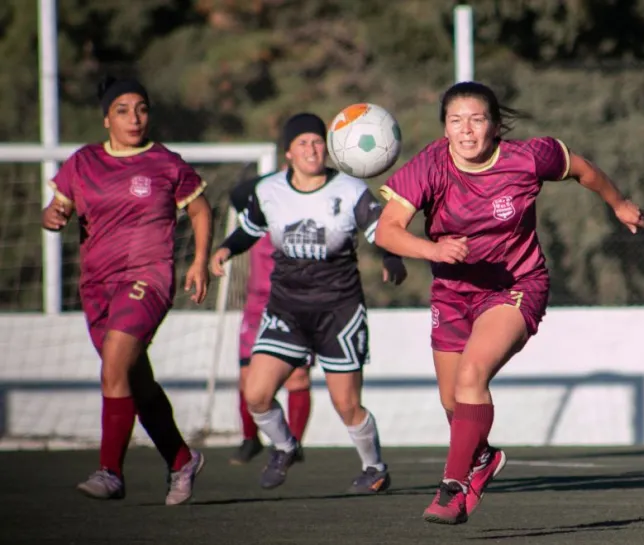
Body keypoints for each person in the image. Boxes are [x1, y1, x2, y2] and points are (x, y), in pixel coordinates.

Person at [375, 81, 644, 525]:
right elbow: (387, 230)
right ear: (444, 128)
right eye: (455, 121)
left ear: (496, 125)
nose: (466, 131)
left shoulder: (528, 157)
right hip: (452, 291)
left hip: (516, 286)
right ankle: (483, 460)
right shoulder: (430, 164)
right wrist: (434, 251)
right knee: (453, 401)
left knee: (472, 376)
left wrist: (618, 203)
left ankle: (452, 486)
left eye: (477, 119)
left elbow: (583, 169)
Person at [209, 113, 407, 492]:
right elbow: (249, 229)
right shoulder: (268, 190)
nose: (312, 149)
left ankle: (374, 468)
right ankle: (284, 447)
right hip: (287, 309)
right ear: (288, 152)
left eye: (318, 142)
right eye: (303, 143)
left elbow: (381, 230)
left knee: (347, 405)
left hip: (339, 312)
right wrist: (224, 250)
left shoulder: (350, 188)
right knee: (257, 394)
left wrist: (392, 258)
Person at [43, 76, 212, 505]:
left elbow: (199, 208)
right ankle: (181, 460)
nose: (134, 118)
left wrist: (198, 261)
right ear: (106, 119)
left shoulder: (166, 163)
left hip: (147, 277)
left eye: (141, 108)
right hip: (97, 286)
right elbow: (59, 204)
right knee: (134, 380)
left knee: (113, 368)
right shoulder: (82, 162)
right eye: (122, 110)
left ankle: (110, 472)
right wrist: (54, 214)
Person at [228, 175, 313, 466]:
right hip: (257, 305)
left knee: (298, 376)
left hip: (293, 305)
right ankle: (250, 440)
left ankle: (294, 445)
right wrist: (280, 177)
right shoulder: (258, 213)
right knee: (246, 377)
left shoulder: (303, 214)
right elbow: (238, 191)